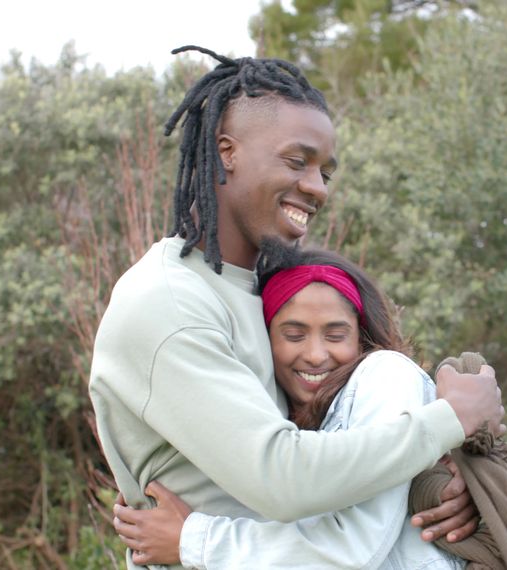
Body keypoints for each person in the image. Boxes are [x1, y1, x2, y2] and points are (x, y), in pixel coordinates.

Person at [88, 46, 504, 569]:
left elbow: (337, 428)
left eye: (325, 172)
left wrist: (436, 475)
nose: (315, 188)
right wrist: (448, 421)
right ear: (224, 152)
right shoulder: (168, 303)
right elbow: (283, 477)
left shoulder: (253, 290)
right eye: (296, 161)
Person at [113, 239, 469, 568]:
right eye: (294, 335)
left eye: (335, 334)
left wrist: (190, 540)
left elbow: (354, 546)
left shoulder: (386, 375)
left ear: (362, 337)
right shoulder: (276, 420)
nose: (316, 355)